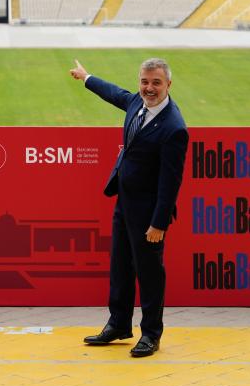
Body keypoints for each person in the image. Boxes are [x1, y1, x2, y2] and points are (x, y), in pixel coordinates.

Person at [69, 57, 189, 358]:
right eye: (145, 82)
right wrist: (87, 78)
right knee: (120, 266)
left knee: (149, 273)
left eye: (156, 83)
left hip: (149, 213)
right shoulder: (137, 102)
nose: (149, 88)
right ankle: (119, 324)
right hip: (125, 201)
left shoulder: (174, 128)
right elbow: (116, 94)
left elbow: (170, 182)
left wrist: (159, 223)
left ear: (168, 85)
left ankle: (151, 334)